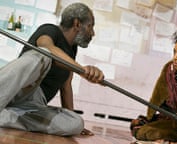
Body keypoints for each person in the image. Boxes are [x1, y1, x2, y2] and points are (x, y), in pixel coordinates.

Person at [0, 3, 104, 136]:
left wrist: (71, 117)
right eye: (90, 26)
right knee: (43, 53)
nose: (93, 33)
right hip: (18, 90)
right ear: (77, 24)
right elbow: (47, 48)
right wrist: (82, 70)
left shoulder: (72, 49)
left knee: (75, 123)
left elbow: (66, 86)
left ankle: (5, 117)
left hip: (33, 107)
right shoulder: (50, 30)